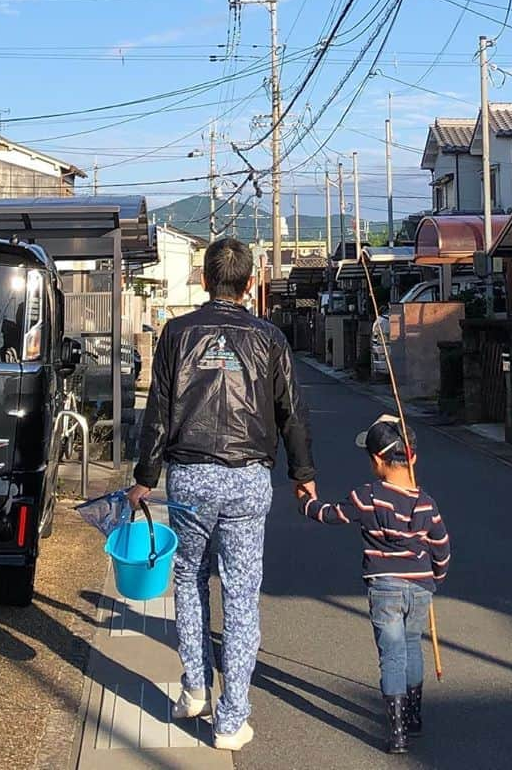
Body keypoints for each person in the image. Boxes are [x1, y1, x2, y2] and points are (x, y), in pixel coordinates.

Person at [128, 237, 316, 752]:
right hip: (247, 478)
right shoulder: (270, 338)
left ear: (205, 280)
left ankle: (193, 685)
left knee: (188, 576)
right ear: (250, 283)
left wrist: (145, 476)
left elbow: (159, 412)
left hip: (188, 476)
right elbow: (291, 412)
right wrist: (303, 474)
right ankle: (231, 719)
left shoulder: (176, 333)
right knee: (241, 592)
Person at [300, 414, 450, 755]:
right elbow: (441, 546)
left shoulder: (367, 496)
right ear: (412, 457)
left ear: (378, 460)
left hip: (384, 587)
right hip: (420, 586)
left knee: (392, 656)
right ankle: (413, 717)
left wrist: (305, 501)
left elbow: (330, 513)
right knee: (413, 646)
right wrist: (436, 578)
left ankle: (396, 733)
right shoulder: (426, 501)